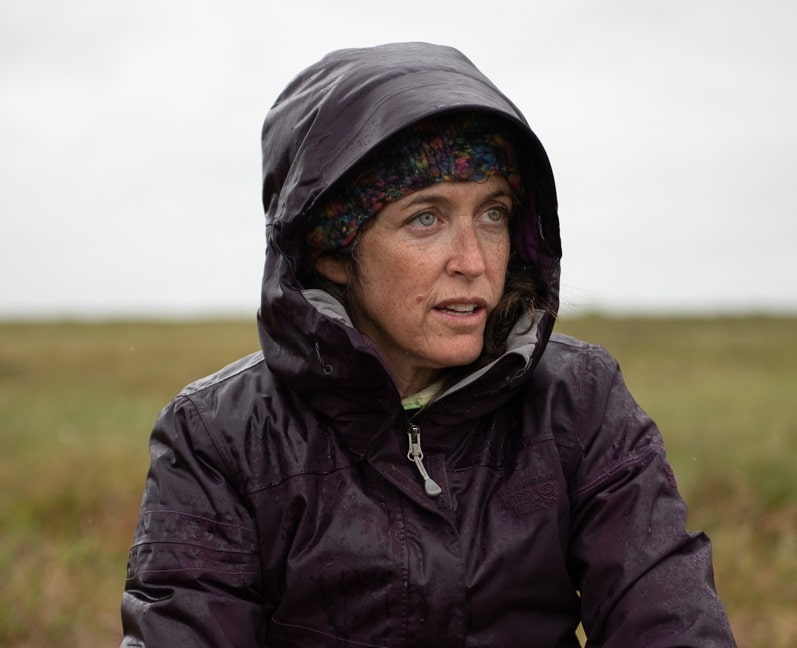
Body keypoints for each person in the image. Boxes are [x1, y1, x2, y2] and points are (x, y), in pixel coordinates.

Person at [120, 42, 736, 646]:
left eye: (493, 213)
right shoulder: (220, 436)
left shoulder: (580, 401)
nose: (473, 261)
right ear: (333, 251)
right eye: (426, 218)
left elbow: (667, 618)